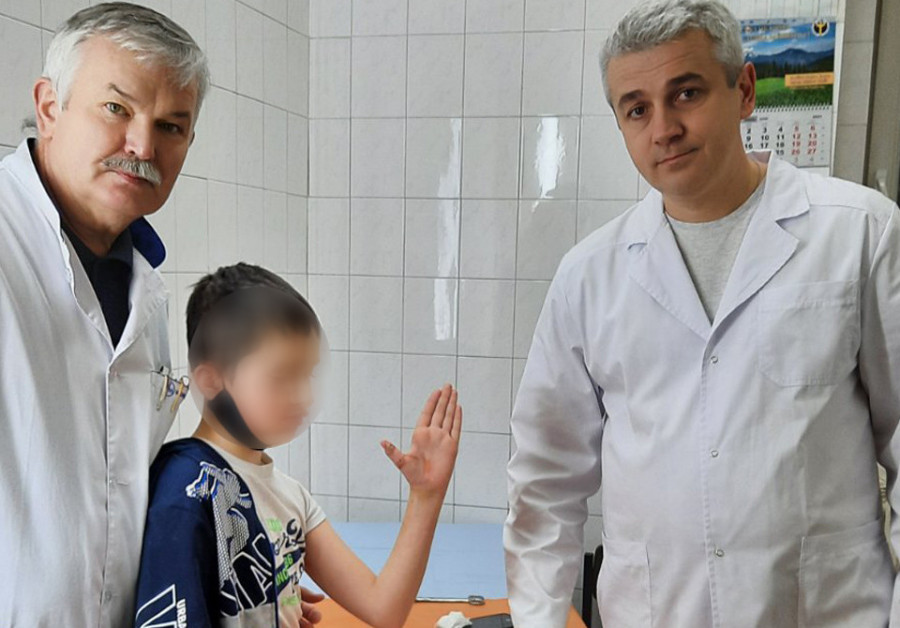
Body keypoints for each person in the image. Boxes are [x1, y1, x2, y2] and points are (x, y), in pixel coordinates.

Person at [504, 1, 900, 626]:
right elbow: (545, 483)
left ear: (743, 91)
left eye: (685, 93)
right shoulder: (589, 275)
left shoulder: (860, 233)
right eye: (637, 109)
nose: (663, 128)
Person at [0, 3, 210, 626]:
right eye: (117, 108)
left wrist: (226, 577)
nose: (143, 146)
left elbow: (121, 493)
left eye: (171, 126)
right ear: (50, 107)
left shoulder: (143, 282)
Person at [135, 263, 463, 628]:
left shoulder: (290, 496)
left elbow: (384, 609)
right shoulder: (187, 489)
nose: (303, 395)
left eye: (307, 374)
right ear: (212, 380)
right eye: (282, 376)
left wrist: (426, 495)